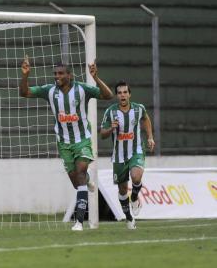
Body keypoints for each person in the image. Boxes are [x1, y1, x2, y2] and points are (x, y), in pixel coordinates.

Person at [20, 56, 113, 231]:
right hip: (64, 143)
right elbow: (24, 93)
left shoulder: (82, 89)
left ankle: (79, 222)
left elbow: (108, 95)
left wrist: (96, 78)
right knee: (78, 181)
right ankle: (87, 181)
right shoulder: (49, 91)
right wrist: (25, 75)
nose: (57, 76)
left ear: (69, 75)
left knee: (79, 173)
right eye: (55, 73)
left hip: (82, 140)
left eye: (61, 73)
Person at [100, 80, 155, 229]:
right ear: (117, 96)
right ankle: (129, 218)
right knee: (122, 190)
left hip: (136, 150)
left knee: (136, 176)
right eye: (119, 93)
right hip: (118, 156)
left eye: (125, 92)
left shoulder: (138, 109)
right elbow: (102, 134)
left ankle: (135, 197)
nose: (122, 95)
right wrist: (111, 128)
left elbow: (145, 119)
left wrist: (149, 137)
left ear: (129, 94)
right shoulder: (110, 112)